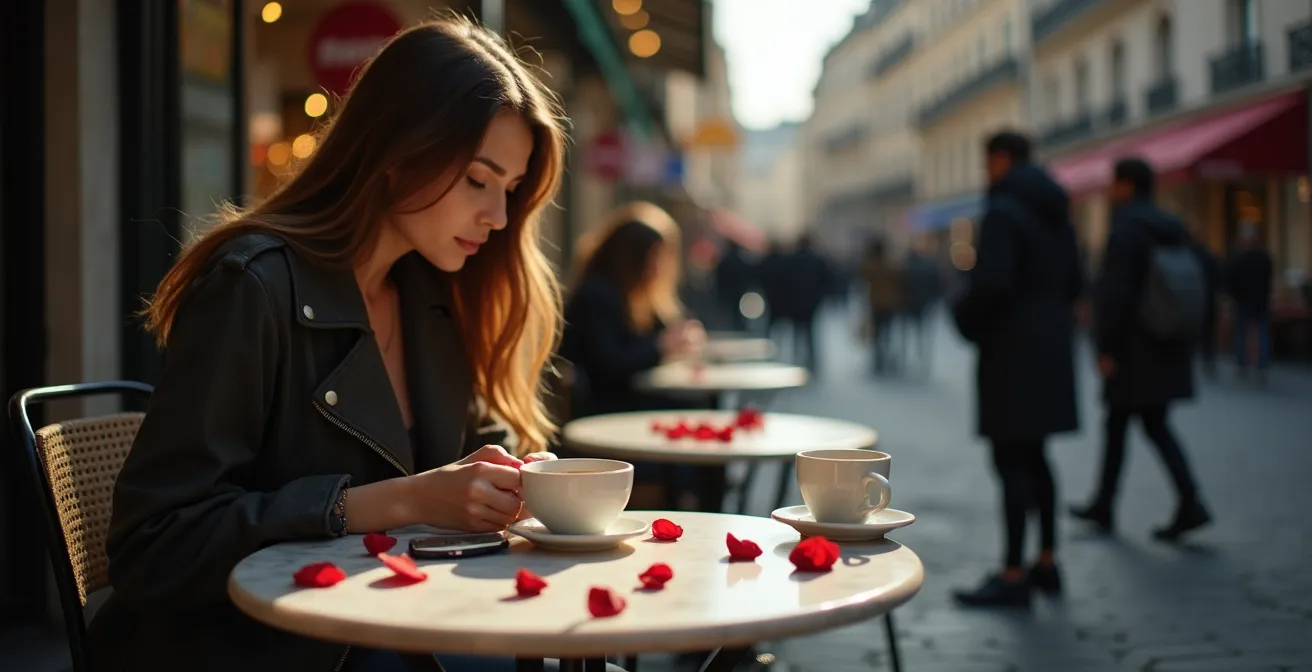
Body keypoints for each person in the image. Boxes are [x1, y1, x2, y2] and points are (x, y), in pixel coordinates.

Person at [90, 17, 613, 672]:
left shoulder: (432, 297)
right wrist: (396, 500)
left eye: (509, 190)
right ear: (397, 152)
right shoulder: (252, 287)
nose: (500, 217)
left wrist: (511, 478)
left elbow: (465, 456)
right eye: (478, 180)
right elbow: (153, 546)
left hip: (404, 629)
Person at [951, 131, 1083, 608]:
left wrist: (962, 316)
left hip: (1010, 348)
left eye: (987, 163)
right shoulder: (1057, 211)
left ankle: (1012, 573)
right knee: (1038, 456)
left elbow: (992, 282)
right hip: (1052, 345)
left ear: (1001, 160)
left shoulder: (1003, 211)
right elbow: (1076, 281)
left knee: (1009, 461)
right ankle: (1046, 560)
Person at [1070, 158, 1211, 542]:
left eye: (1115, 183)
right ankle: (1110, 502)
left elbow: (1116, 295)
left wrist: (1106, 347)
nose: (1111, 190)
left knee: (1139, 424)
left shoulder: (1126, 230)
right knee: (1139, 424)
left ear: (1127, 186)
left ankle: (1184, 501)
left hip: (1134, 348)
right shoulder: (1172, 227)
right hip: (1167, 340)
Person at [559, 202, 711, 508]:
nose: (658, 268)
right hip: (607, 421)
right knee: (700, 443)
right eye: (654, 257)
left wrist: (668, 333)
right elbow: (610, 367)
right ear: (631, 257)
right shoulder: (598, 296)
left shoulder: (619, 294)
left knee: (700, 420)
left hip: (621, 411)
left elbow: (651, 333)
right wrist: (662, 346)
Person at [1225, 222, 1274, 384]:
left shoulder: (1240, 259)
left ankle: (1243, 364)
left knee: (1243, 333)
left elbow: (1231, 281)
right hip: (1259, 301)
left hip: (1245, 301)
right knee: (1261, 332)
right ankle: (1261, 366)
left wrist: (1234, 296)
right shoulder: (1263, 258)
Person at [861, 238, 903, 375]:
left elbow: (862, 276)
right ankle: (885, 359)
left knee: (877, 335)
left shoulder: (871, 265)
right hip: (890, 303)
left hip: (876, 304)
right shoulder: (890, 264)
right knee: (887, 333)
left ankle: (878, 361)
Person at [1188, 229, 1223, 377]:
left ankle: (1196, 357)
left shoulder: (1188, 256)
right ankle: (1208, 358)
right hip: (1208, 300)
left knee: (1193, 331)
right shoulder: (1209, 257)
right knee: (1207, 332)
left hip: (1193, 301)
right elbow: (1218, 279)